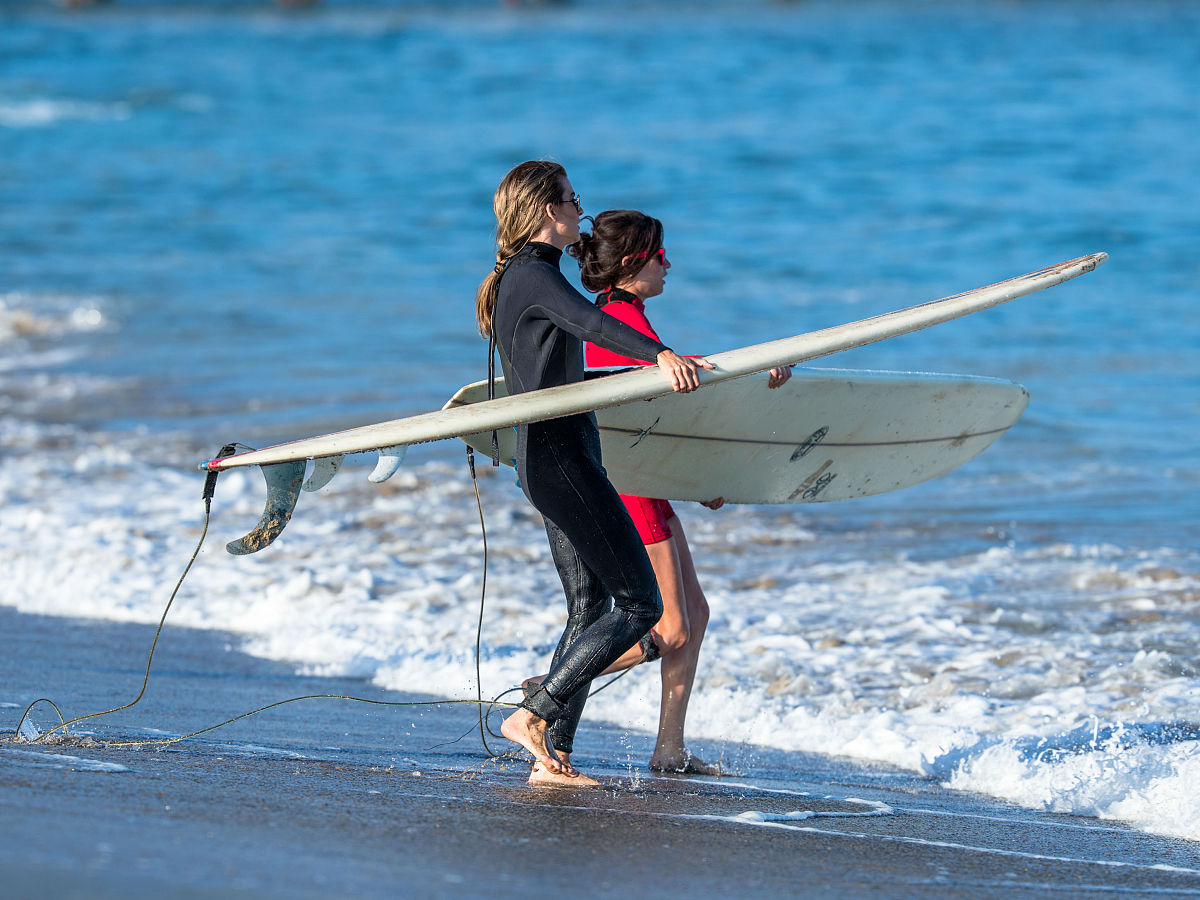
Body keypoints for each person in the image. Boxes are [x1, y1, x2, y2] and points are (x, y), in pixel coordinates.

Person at [530, 209, 792, 775]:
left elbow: (668, 415)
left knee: (695, 611)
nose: (668, 264)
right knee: (672, 625)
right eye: (659, 255)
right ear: (632, 262)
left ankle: (669, 749)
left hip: (647, 481)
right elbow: (662, 396)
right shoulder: (617, 325)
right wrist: (757, 375)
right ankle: (556, 682)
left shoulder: (625, 319)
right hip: (633, 490)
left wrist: (701, 480)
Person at [477, 162, 712, 786]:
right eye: (571, 199)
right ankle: (537, 711)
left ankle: (551, 757)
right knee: (641, 605)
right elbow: (592, 323)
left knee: (589, 610)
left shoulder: (525, 277)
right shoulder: (530, 274)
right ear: (545, 209)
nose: (579, 209)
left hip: (552, 459)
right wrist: (659, 355)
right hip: (563, 459)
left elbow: (582, 347)